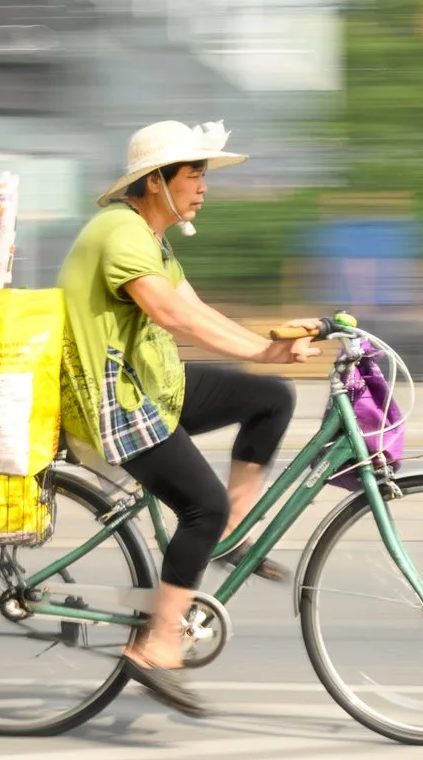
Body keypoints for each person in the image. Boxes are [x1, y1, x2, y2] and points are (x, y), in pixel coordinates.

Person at [58, 120, 320, 716]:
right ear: (156, 181)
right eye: (193, 174)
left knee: (271, 398)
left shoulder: (152, 239)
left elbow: (196, 308)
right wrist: (263, 350)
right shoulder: (119, 232)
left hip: (156, 387)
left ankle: (229, 536)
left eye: (204, 175)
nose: (203, 186)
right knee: (203, 506)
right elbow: (173, 315)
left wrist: (268, 348)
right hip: (115, 403)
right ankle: (156, 645)